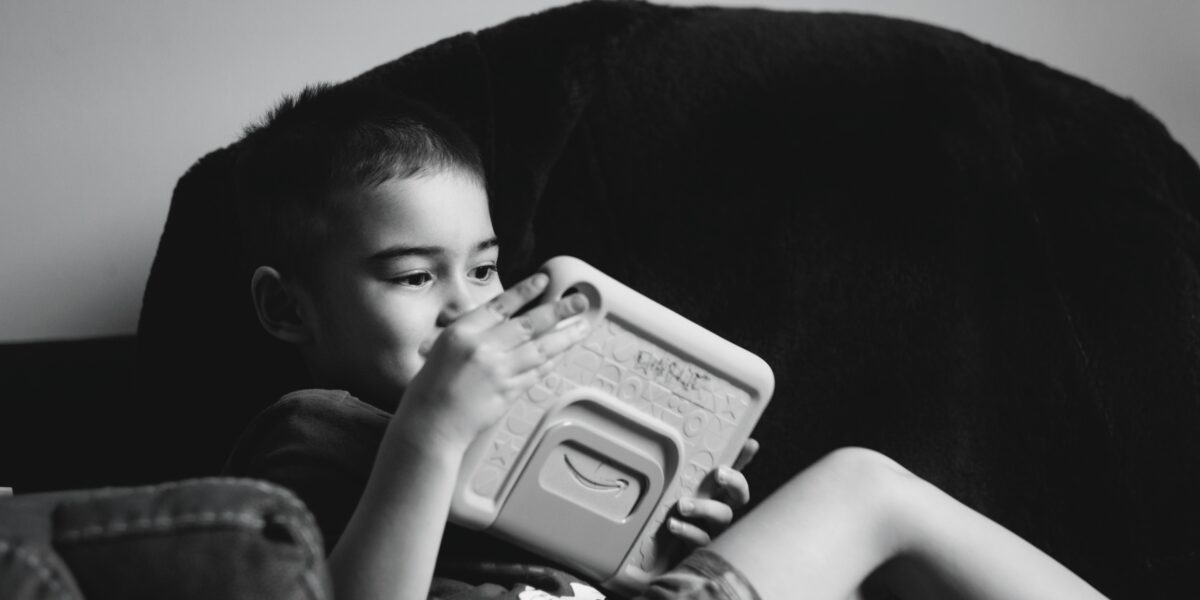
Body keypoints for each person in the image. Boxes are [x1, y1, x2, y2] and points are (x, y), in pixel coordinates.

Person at [224, 82, 1108, 600]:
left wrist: (661, 533)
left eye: (487, 269)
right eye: (416, 277)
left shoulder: (531, 406)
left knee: (865, 484)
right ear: (288, 311)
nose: (468, 308)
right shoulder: (310, 429)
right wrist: (428, 433)